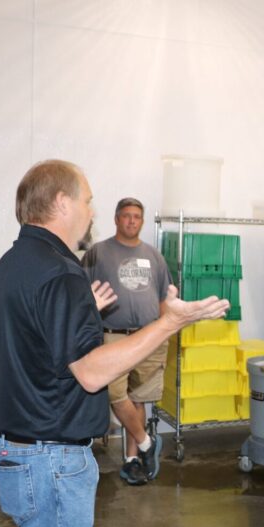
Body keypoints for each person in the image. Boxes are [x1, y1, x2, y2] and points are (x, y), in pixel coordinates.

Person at [0, 160, 229, 527]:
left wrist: (81, 313)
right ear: (61, 203)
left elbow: (45, 347)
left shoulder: (16, 264)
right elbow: (93, 372)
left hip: (23, 451)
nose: (92, 210)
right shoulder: (60, 273)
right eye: (88, 199)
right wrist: (168, 324)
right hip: (51, 461)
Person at [82, 197, 172, 486]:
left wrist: (165, 330)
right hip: (112, 336)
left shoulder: (154, 256)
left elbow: (164, 299)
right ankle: (147, 443)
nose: (131, 221)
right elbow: (82, 292)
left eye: (136, 217)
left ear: (141, 221)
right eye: (126, 216)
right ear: (116, 219)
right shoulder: (98, 253)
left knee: (138, 397)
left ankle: (133, 460)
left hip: (149, 336)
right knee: (115, 393)